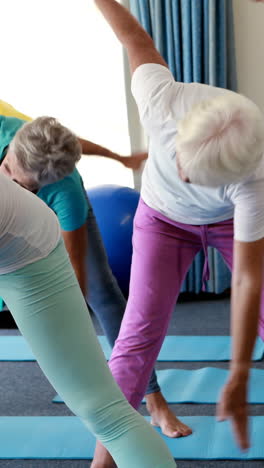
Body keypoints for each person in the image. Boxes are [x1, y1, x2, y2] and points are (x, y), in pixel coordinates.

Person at [92, 0, 264, 466]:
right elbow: (135, 39)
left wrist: (240, 372)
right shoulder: (162, 101)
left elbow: (247, 281)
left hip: (227, 223)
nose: (185, 175)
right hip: (163, 222)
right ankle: (102, 462)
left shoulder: (254, 175)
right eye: (185, 164)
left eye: (200, 176)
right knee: (136, 338)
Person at [0, 113, 187, 439]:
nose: (7, 179)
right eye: (5, 169)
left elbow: (73, 275)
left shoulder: (65, 192)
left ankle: (154, 399)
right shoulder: (14, 133)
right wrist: (120, 157)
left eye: (16, 182)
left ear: (38, 183)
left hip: (45, 216)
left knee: (103, 296)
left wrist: (73, 340)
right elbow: (68, 139)